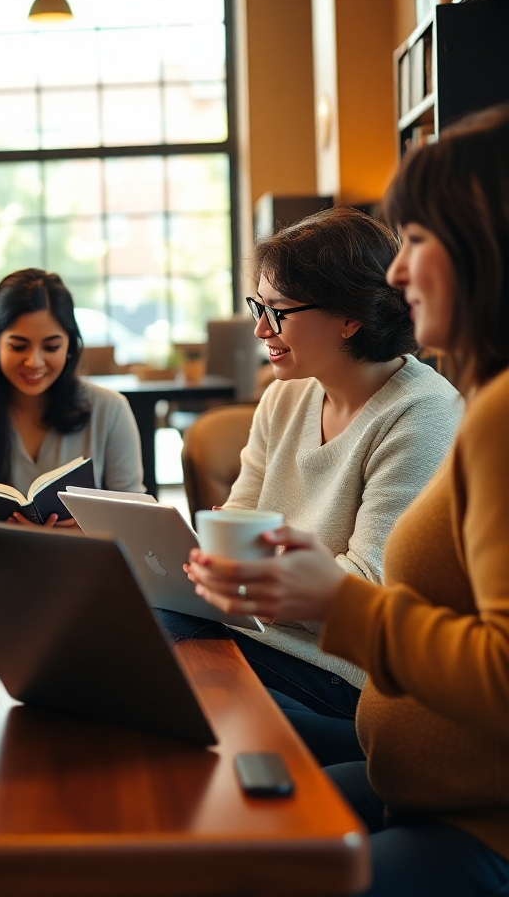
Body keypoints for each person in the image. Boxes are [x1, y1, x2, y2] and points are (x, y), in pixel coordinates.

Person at [187, 106, 509, 897]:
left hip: (473, 814)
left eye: (421, 242)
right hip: (417, 785)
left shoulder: (468, 414)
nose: (398, 274)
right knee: (208, 822)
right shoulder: (486, 403)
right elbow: (249, 527)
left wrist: (338, 603)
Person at [171, 209, 461, 765]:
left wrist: (250, 577)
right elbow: (239, 520)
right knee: (132, 634)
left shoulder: (422, 415)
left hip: (346, 674)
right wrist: (213, 561)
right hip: (260, 635)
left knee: (158, 665)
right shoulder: (287, 395)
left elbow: (369, 591)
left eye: (276, 312)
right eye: (259, 307)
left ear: (349, 317)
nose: (261, 330)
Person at [0, 268, 143, 523]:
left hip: (87, 560)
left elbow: (136, 517)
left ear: (70, 345)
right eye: (18, 346)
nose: (34, 362)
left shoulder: (110, 410)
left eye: (51, 347)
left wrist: (88, 531)